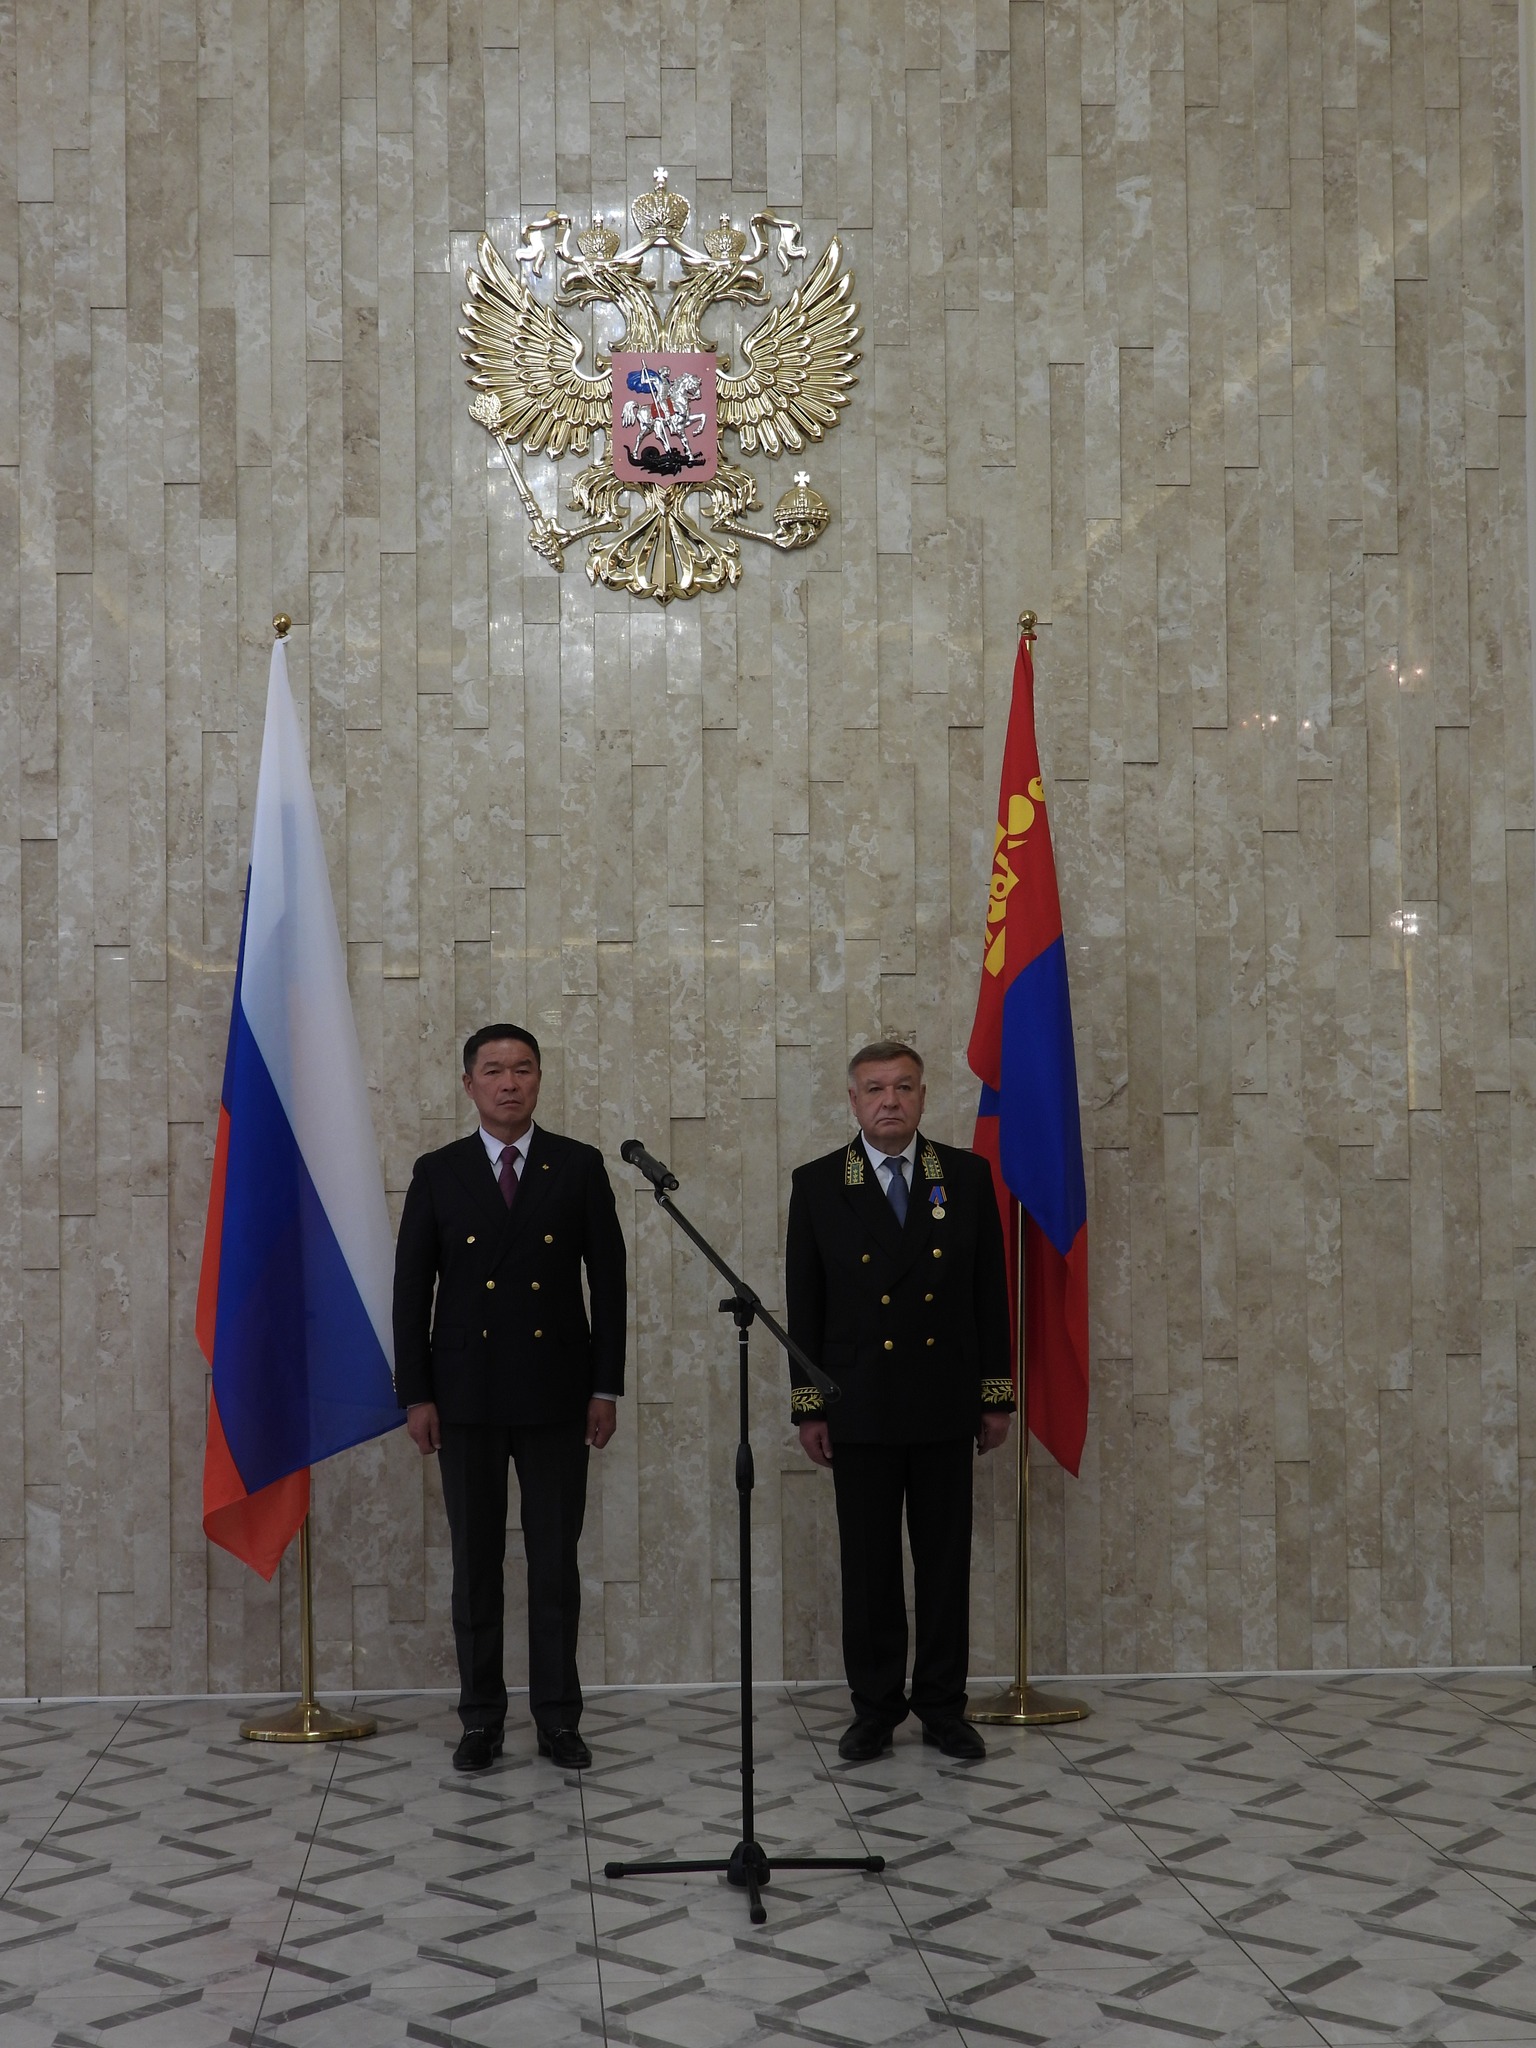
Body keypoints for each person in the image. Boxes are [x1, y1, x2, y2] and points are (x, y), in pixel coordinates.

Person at [392, 1025, 626, 1773]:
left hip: (557, 1392)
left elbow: (609, 1284)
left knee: (555, 1563)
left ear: (539, 1080)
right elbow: (410, 1290)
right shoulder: (439, 1171)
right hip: (465, 1396)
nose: (509, 1083)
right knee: (476, 1563)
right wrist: (415, 1394)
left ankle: (558, 1717)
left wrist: (605, 1385)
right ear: (469, 1085)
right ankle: (481, 1719)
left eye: (523, 1069)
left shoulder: (578, 1165)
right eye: (493, 1070)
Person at [786, 1040, 1014, 1764]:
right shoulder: (819, 1183)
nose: (891, 1100)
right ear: (853, 1100)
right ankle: (876, 1708)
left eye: (904, 1087)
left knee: (944, 1565)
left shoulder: (966, 1177)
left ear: (923, 1096)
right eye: (876, 1088)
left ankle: (944, 1707)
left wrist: (996, 1396)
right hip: (859, 1404)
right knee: (870, 1568)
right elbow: (805, 1303)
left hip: (943, 1399)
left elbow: (989, 1293)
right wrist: (809, 1406)